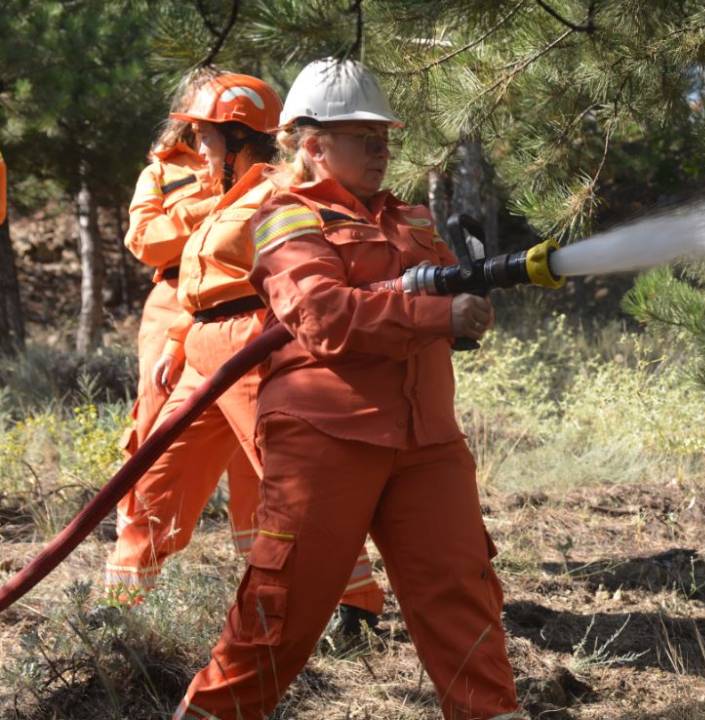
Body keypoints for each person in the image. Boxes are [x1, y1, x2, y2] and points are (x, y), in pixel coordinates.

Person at [174, 58, 525, 720]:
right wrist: (434, 314)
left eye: (385, 137)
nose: (381, 149)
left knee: (464, 599)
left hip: (428, 442)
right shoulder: (283, 217)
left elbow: (446, 291)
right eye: (363, 137)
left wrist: (466, 314)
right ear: (310, 144)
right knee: (280, 616)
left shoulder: (410, 219)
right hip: (324, 439)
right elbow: (323, 317)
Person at [107, 72, 386, 630]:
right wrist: (184, 339)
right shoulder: (224, 189)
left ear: (238, 140)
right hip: (204, 346)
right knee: (158, 469)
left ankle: (352, 601)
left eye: (208, 141)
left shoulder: (285, 191)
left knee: (288, 479)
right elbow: (202, 275)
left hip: (253, 347)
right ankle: (121, 607)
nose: (200, 153)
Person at [109, 68, 261, 593]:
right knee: (156, 433)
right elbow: (146, 240)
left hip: (245, 301)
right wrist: (217, 202)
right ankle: (130, 586)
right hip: (174, 300)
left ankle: (288, 584)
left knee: (262, 447)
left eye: (209, 125)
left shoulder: (268, 173)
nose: (201, 134)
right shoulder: (161, 171)